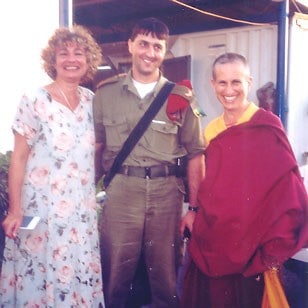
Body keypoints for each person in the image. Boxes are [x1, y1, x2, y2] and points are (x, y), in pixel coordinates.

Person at [180, 52, 308, 308]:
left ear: (249, 82)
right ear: (213, 84)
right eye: (223, 83)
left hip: (254, 240)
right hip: (217, 234)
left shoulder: (267, 124)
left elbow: (287, 188)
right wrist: (194, 212)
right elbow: (212, 186)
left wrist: (276, 239)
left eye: (236, 82)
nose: (229, 90)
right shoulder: (211, 130)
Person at [93, 17, 205, 308]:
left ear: (164, 51)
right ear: (130, 45)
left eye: (157, 46)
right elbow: (96, 146)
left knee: (165, 274)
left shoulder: (182, 97)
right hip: (121, 193)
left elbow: (196, 153)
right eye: (143, 43)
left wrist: (193, 208)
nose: (149, 52)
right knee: (115, 271)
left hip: (166, 193)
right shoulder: (105, 94)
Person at [0, 25, 105, 307]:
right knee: (35, 271)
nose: (71, 59)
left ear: (88, 59)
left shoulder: (93, 103)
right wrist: (14, 209)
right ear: (53, 60)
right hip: (38, 209)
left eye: (79, 53)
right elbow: (18, 158)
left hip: (79, 213)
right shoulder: (33, 100)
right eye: (63, 53)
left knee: (75, 272)